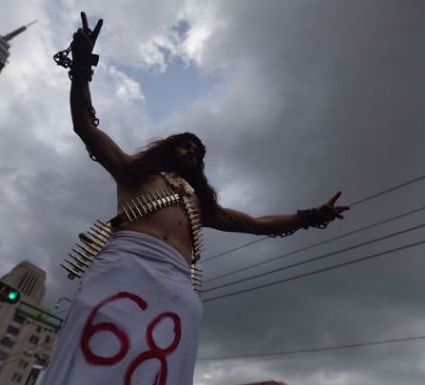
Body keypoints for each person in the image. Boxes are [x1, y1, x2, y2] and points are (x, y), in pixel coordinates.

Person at [44, 12, 349, 385]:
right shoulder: (133, 172)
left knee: (162, 359)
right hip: (126, 263)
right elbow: (86, 126)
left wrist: (309, 216)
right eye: (183, 145)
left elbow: (258, 225)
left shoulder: (201, 205)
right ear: (167, 148)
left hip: (178, 282)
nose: (189, 152)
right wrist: (81, 67)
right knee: (98, 340)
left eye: (196, 151)